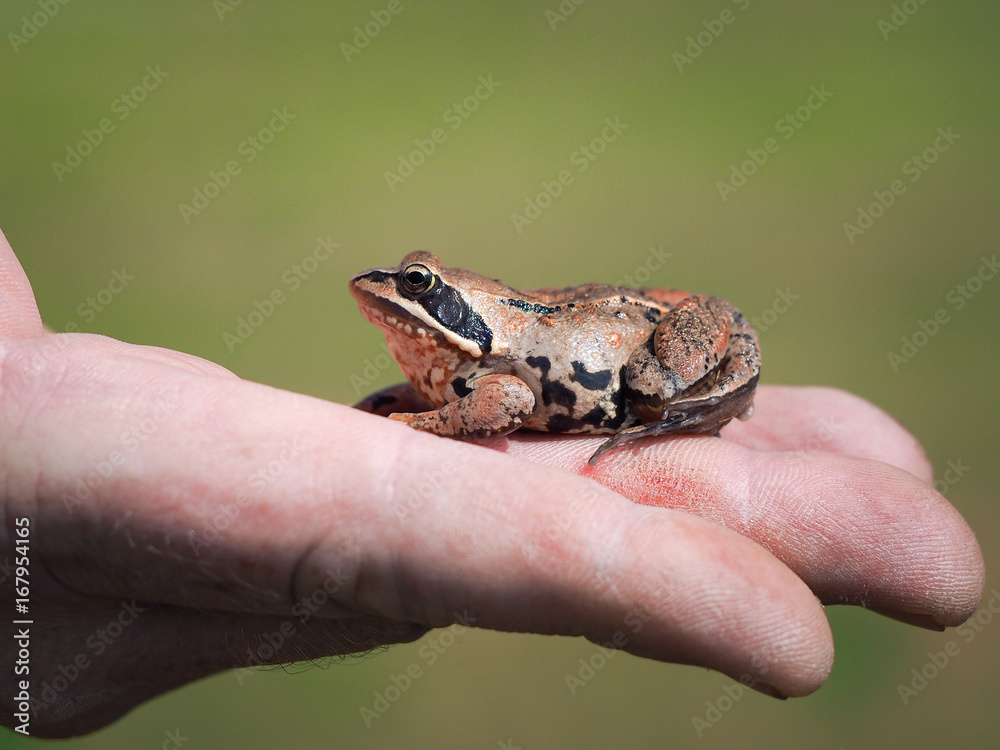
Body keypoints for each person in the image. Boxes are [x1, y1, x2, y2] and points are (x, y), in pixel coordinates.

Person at [0, 229, 983, 738]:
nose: (395, 294)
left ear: (456, 311)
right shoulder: (438, 361)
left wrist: (424, 422)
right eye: (408, 285)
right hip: (579, 332)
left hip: (633, 347)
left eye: (421, 290)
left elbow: (503, 407)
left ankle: (692, 401)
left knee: (649, 384)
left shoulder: (483, 371)